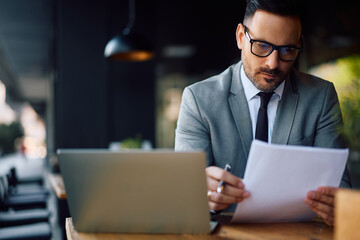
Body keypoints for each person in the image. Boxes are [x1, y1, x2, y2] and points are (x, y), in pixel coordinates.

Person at [175, 0, 351, 226]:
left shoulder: (320, 96)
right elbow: (184, 194)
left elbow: (341, 189)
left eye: (287, 49)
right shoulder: (199, 100)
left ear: (299, 44)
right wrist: (200, 193)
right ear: (240, 36)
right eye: (261, 45)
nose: (273, 63)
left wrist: (336, 205)